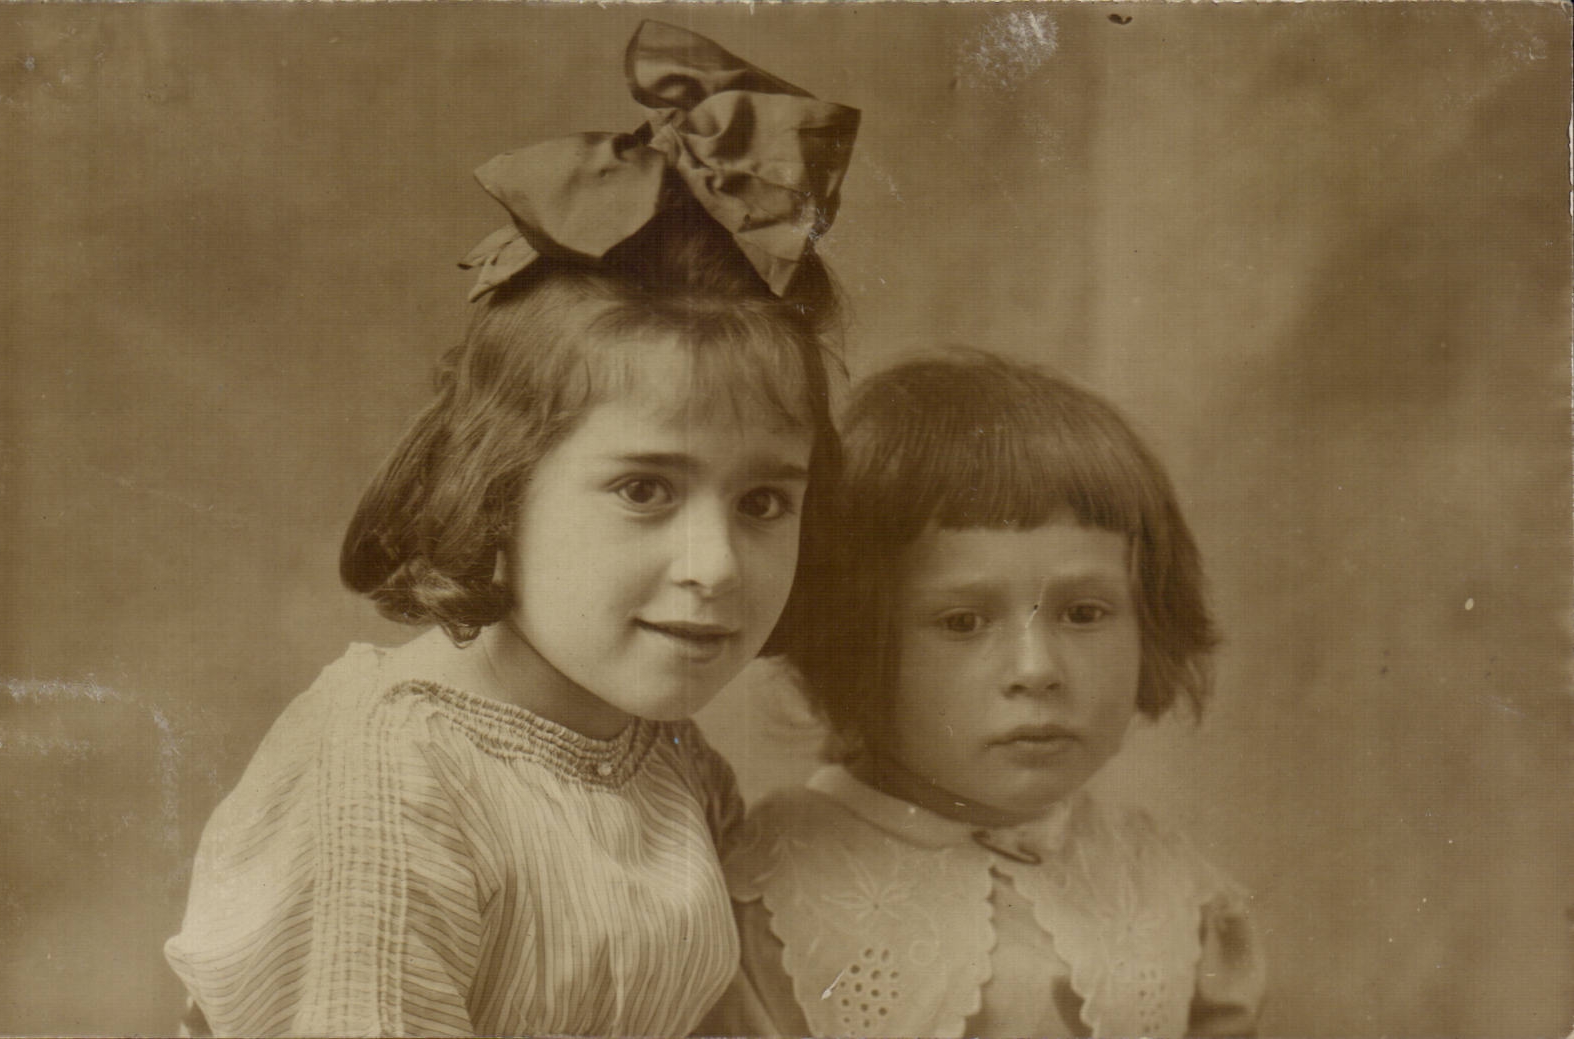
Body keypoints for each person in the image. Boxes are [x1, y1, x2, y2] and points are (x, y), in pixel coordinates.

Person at [164, 21, 858, 1037]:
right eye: (645, 491)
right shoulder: (390, 775)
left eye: (763, 502)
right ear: (500, 492)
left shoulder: (672, 758)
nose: (716, 568)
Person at [707, 351, 1265, 1038]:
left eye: (1084, 613)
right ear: (851, 642)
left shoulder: (1171, 891)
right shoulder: (767, 900)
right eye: (962, 622)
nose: (1036, 669)